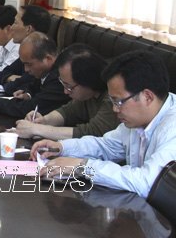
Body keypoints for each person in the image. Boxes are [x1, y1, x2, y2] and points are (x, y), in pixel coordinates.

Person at [32, 50, 176, 198]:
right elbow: (106, 146)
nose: (114, 109)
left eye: (118, 102)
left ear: (147, 97)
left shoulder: (172, 128)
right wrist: (62, 147)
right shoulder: (139, 119)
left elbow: (147, 183)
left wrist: (83, 166)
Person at [15, 44, 119, 139]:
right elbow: (68, 112)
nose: (66, 92)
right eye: (63, 84)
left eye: (69, 87)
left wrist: (38, 130)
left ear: (88, 80)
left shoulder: (114, 97)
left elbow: (93, 132)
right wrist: (44, 120)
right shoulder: (88, 94)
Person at [0, 31, 70, 117]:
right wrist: (28, 94)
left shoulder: (61, 77)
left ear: (48, 59)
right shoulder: (43, 70)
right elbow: (33, 87)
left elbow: (32, 108)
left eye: (29, 64)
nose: (26, 69)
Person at [0, 5, 51, 94]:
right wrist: (11, 78)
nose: (11, 27)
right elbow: (2, 74)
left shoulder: (38, 56)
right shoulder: (26, 52)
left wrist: (14, 80)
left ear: (28, 29)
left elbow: (11, 88)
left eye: (15, 23)